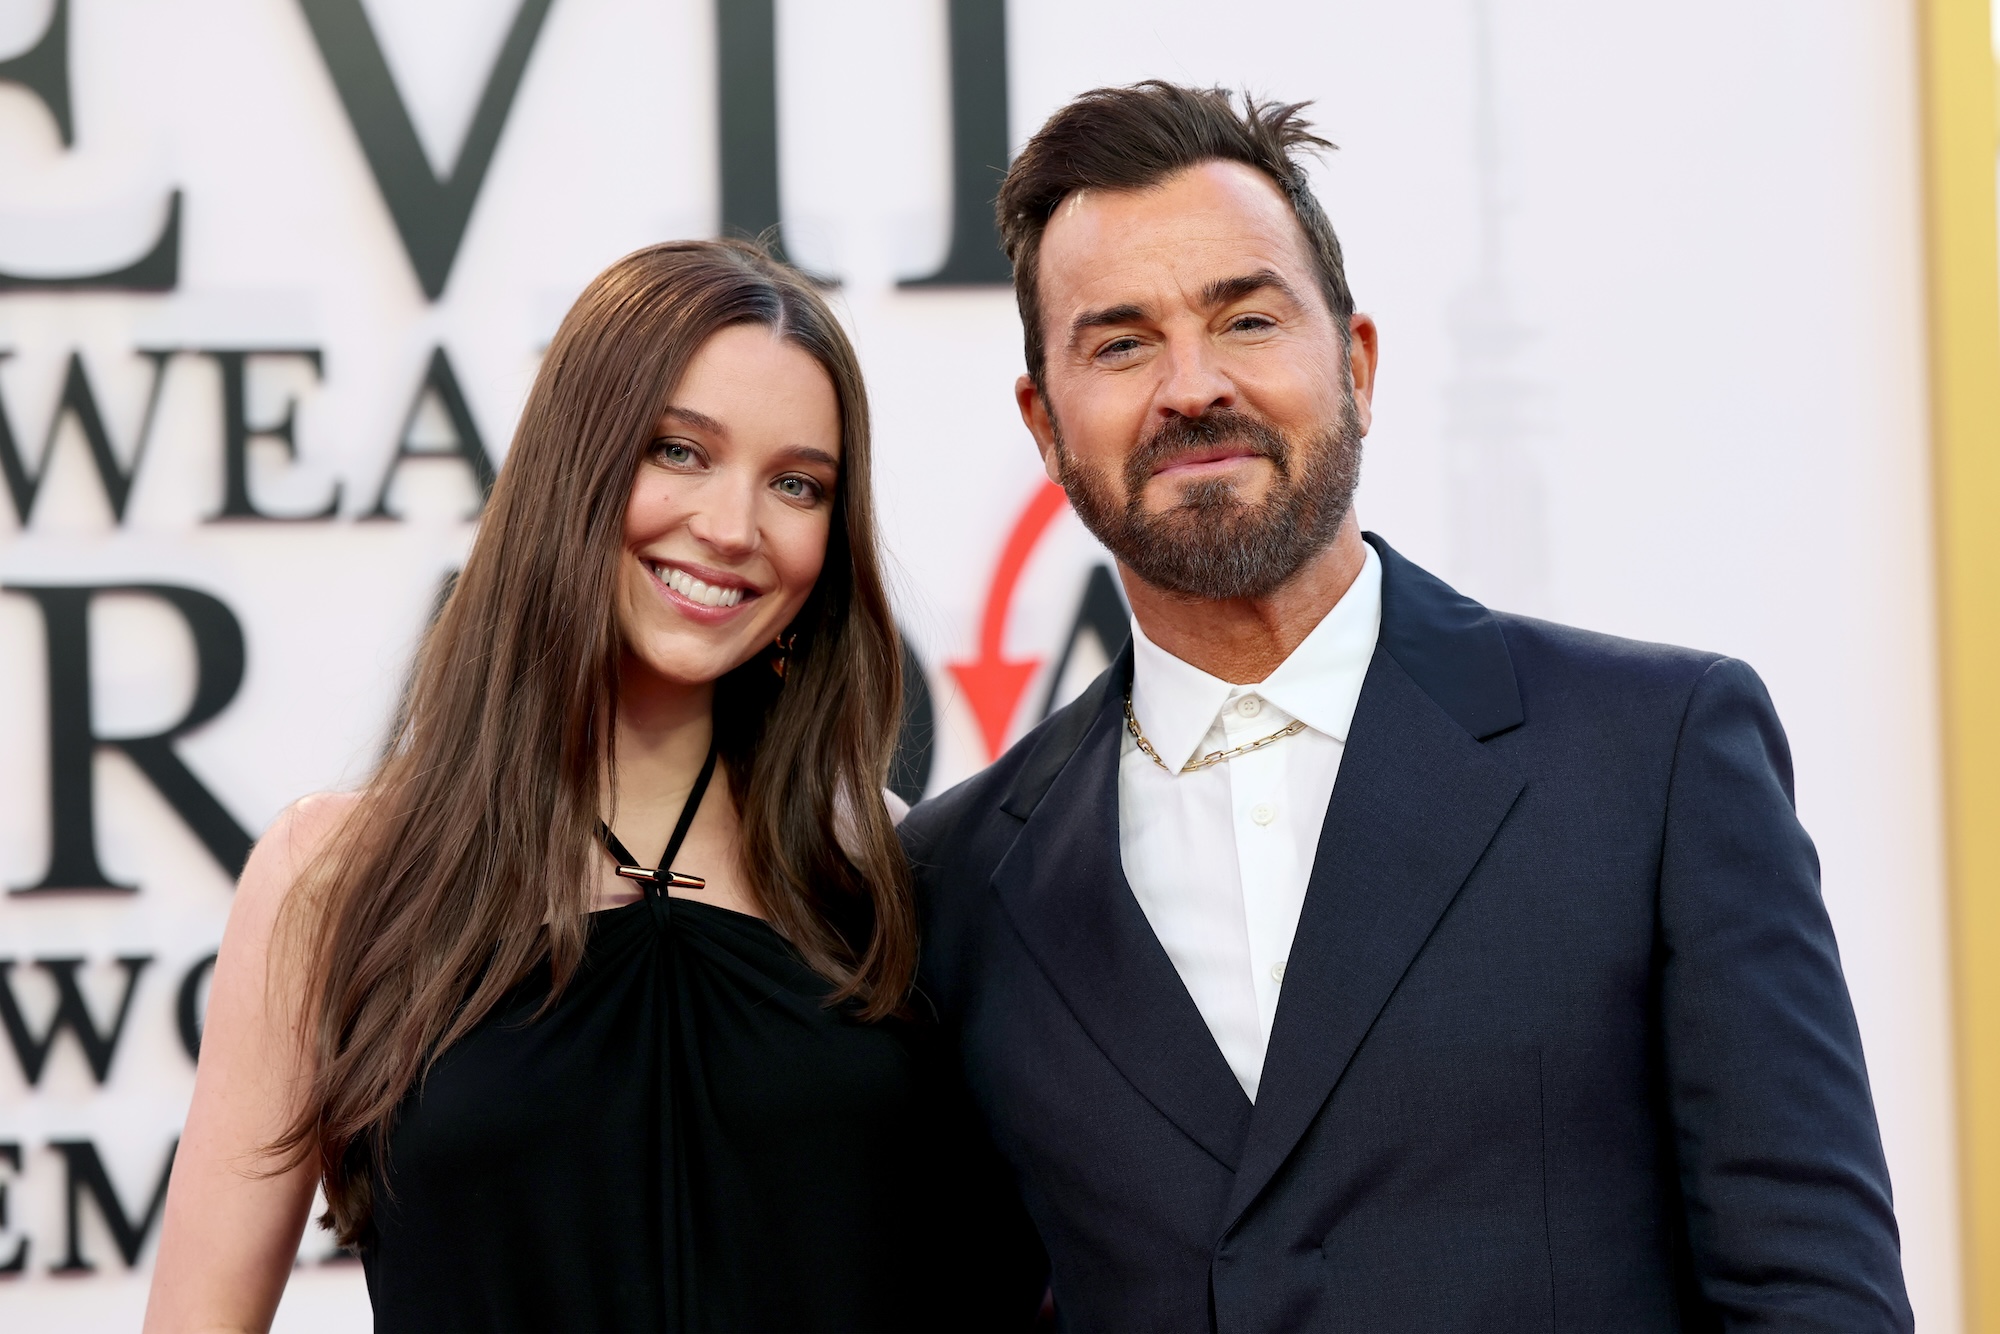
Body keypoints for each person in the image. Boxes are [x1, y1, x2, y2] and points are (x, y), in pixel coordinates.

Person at [902, 82, 1913, 1330]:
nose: (1190, 386)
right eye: (1119, 344)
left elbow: (1810, 1292)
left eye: (1246, 318)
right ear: (1044, 425)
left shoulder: (1653, 756)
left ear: (1357, 363)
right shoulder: (952, 886)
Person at [146, 239, 1039, 1333]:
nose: (730, 526)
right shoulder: (335, 878)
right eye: (679, 450)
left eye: (795, 483)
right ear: (575, 461)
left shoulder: (877, 871)